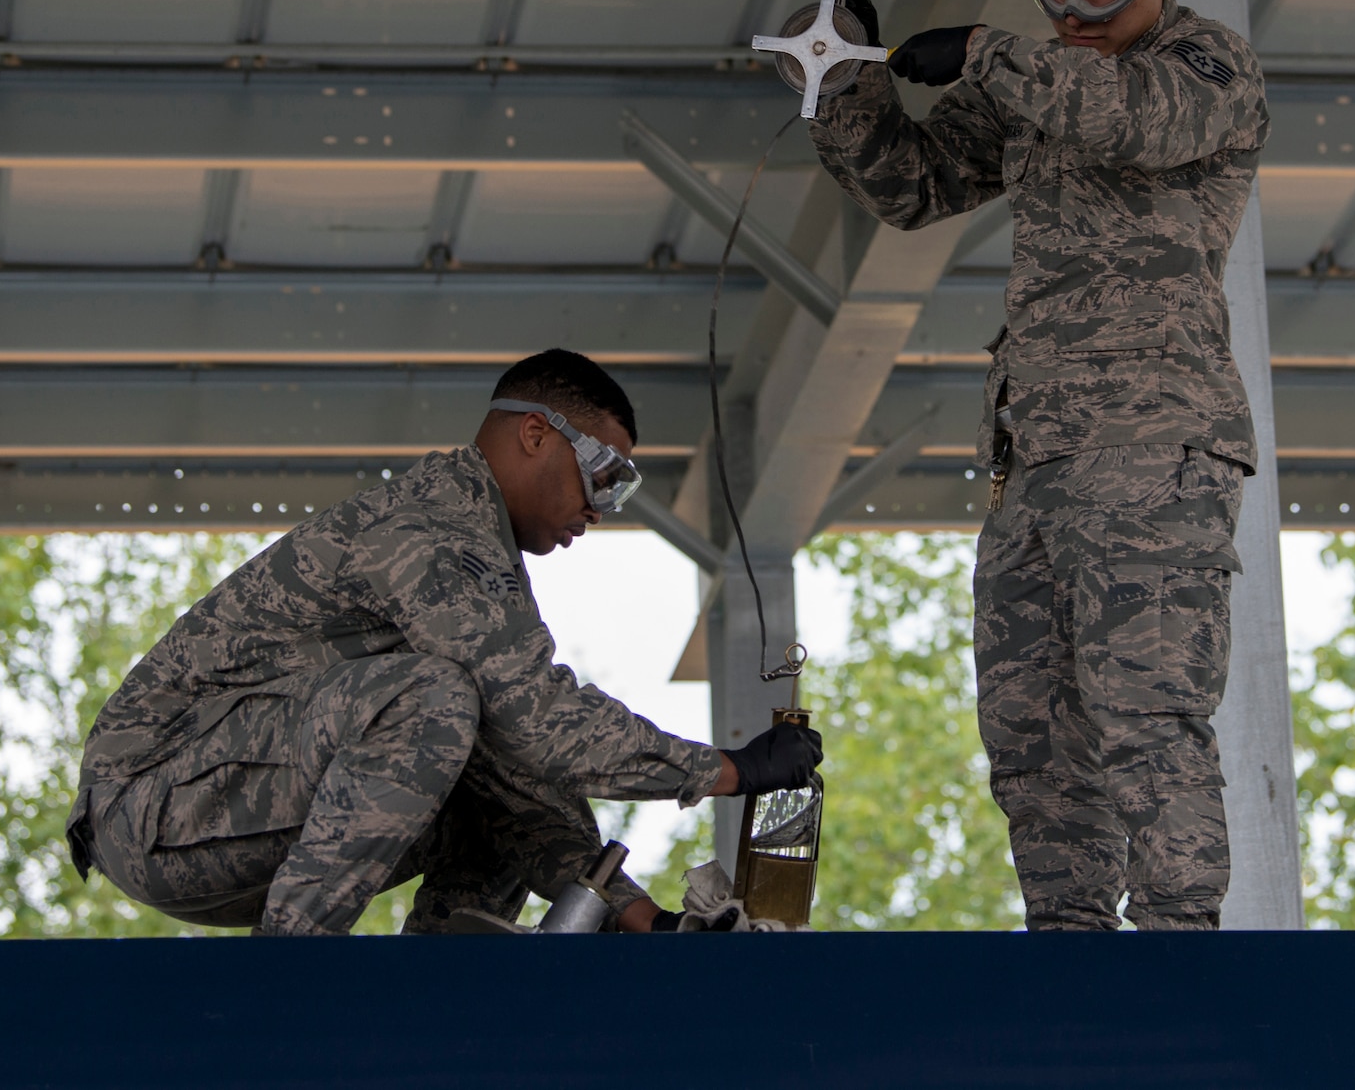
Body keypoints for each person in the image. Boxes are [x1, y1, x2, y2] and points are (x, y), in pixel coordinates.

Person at [808, 0, 1268, 930]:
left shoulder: (1205, 68)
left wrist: (984, 52)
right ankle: (1066, 955)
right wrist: (839, 81)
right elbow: (911, 184)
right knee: (1029, 734)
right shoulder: (1035, 77)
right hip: (1033, 462)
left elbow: (1126, 121)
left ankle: (1176, 962)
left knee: (1143, 717)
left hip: (1153, 451)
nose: (1071, 10)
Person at [66, 348, 822, 935]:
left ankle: (442, 999)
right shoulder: (431, 529)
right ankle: (287, 977)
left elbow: (527, 766)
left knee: (485, 753)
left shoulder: (482, 554)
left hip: (231, 812)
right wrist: (727, 769)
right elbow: (545, 724)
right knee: (439, 702)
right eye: (606, 475)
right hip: (156, 804)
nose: (602, 509)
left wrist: (641, 918)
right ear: (536, 433)